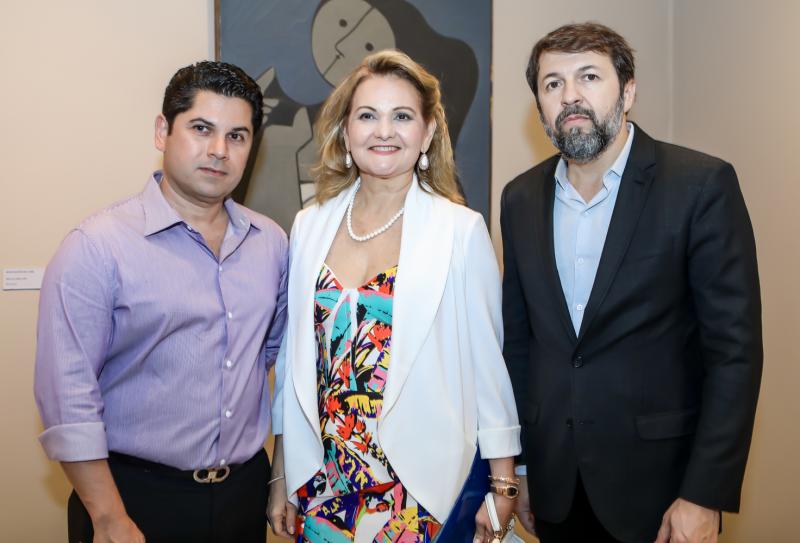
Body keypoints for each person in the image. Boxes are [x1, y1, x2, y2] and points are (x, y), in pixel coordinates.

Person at [501, 22, 762, 543]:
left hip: (662, 491)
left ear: (628, 91)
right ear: (540, 106)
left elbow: (734, 354)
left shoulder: (700, 186)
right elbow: (521, 346)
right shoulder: (520, 198)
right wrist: (522, 467)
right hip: (555, 487)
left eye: (589, 76)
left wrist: (704, 494)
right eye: (553, 84)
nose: (570, 96)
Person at [267, 50, 521, 542]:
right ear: (345, 132)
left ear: (427, 133)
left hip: (420, 491)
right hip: (323, 488)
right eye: (367, 116)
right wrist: (282, 474)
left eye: (402, 116)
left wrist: (503, 484)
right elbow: (294, 368)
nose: (384, 131)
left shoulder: (460, 232)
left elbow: (489, 370)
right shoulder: (308, 225)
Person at [34, 61, 288, 543]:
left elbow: (267, 357)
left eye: (237, 136)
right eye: (201, 129)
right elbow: (67, 397)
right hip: (132, 498)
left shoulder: (271, 243)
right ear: (162, 131)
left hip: (243, 495)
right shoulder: (96, 247)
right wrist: (108, 518)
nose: (219, 150)